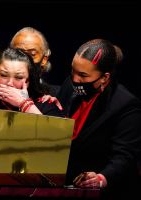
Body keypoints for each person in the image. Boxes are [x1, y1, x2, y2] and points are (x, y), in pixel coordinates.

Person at [57, 39, 141, 198]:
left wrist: (101, 178)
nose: (75, 79)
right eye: (73, 71)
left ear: (104, 77)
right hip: (67, 185)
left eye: (82, 75)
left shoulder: (126, 104)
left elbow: (124, 157)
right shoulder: (70, 84)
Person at [0, 47, 64, 117]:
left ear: (28, 81)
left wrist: (25, 105)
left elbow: (55, 139)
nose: (9, 83)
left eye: (19, 77)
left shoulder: (46, 106)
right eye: (3, 75)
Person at [10, 27, 60, 95]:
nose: (25, 59)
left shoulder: (58, 95)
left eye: (32, 54)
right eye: (19, 53)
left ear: (44, 59)